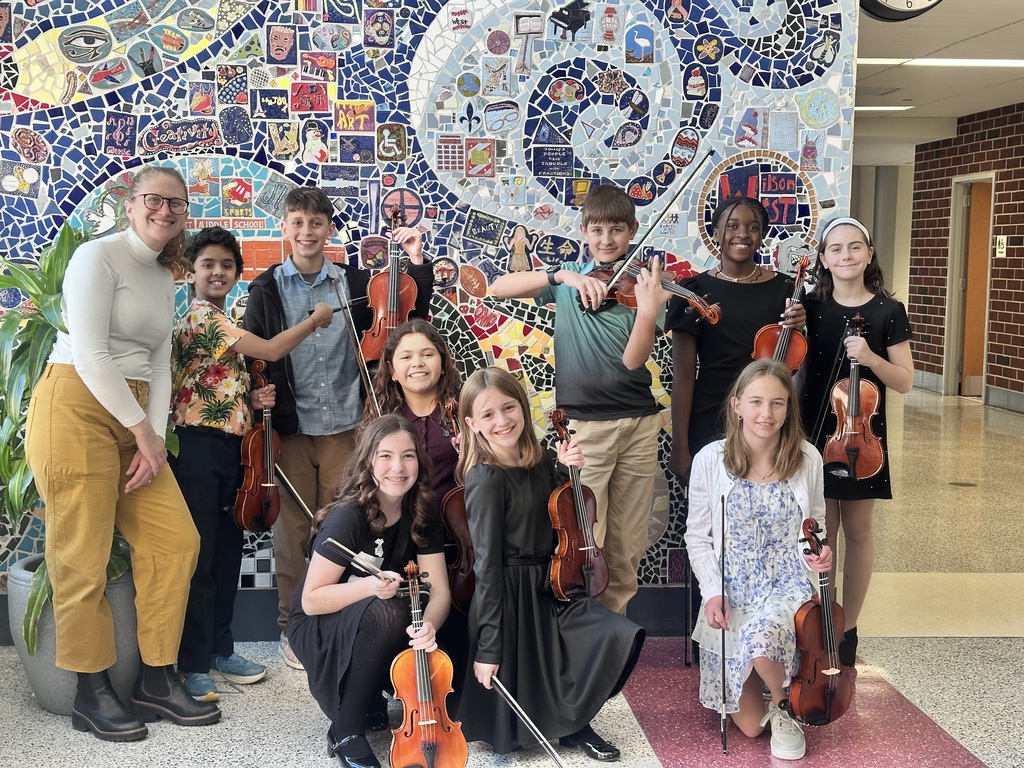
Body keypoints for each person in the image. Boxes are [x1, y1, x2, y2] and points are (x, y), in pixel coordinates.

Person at [24, 165, 220, 741]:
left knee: (175, 541)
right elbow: (90, 355)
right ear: (130, 204)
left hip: (134, 420)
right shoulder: (96, 257)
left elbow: (159, 362)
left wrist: (151, 440)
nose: (165, 211)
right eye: (154, 200)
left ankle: (157, 677)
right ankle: (91, 688)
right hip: (75, 407)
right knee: (80, 553)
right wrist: (144, 431)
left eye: (176, 204)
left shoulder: (167, 274)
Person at [242, 187, 434, 670]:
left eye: (316, 223)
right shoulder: (266, 288)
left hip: (348, 428)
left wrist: (415, 263)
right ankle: (293, 625)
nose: (307, 232)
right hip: (290, 429)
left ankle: (343, 618)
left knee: (341, 530)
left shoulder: (352, 281)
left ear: (329, 229)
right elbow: (254, 356)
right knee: (291, 534)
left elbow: (402, 319)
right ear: (284, 228)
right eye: (297, 223)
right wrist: (255, 396)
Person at [170, 226, 335, 701]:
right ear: (191, 273)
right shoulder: (202, 317)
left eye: (226, 265)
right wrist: (314, 320)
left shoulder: (226, 322)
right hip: (198, 447)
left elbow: (222, 379)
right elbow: (269, 349)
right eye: (207, 265)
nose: (217, 272)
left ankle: (222, 648)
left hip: (233, 450)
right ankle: (194, 662)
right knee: (203, 559)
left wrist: (253, 393)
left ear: (236, 274)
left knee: (227, 555)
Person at [489, 184, 671, 615]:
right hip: (584, 429)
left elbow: (632, 361)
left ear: (633, 232)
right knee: (587, 543)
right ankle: (582, 633)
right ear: (584, 232)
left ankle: (614, 634)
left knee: (626, 548)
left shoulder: (644, 287)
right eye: (598, 230)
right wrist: (563, 276)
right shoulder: (568, 279)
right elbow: (498, 287)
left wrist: (647, 312)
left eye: (617, 230)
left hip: (638, 426)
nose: (607, 240)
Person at [456, 366, 645, 760]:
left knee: (613, 633)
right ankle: (571, 726)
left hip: (551, 583)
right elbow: (486, 566)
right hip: (508, 595)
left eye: (509, 408)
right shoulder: (485, 479)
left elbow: (560, 514)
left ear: (523, 409)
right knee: (526, 683)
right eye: (488, 415)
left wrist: (566, 471)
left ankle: (576, 721)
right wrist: (488, 647)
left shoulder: (541, 461)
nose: (502, 420)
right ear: (472, 424)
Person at [666, 195, 807, 645]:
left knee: (765, 528)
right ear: (716, 231)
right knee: (711, 528)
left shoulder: (787, 292)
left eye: (751, 225)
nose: (741, 234)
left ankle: (767, 625)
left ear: (763, 233)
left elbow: (792, 371)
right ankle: (712, 633)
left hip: (766, 419)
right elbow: (684, 376)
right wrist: (681, 444)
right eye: (731, 225)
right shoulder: (694, 291)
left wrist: (799, 324)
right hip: (711, 418)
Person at [685, 359, 832, 761]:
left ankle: (785, 704)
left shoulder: (807, 458)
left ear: (789, 409)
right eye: (756, 402)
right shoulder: (710, 460)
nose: (766, 414)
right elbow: (697, 537)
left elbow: (813, 526)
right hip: (733, 582)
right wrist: (713, 593)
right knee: (749, 727)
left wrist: (818, 555)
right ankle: (770, 685)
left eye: (777, 404)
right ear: (736, 406)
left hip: (786, 580)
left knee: (762, 637)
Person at [286, 414, 451, 768]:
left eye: (408, 455)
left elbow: (438, 591)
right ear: (368, 462)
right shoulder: (349, 516)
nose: (398, 466)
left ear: (419, 462)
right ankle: (345, 730)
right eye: (385, 456)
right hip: (319, 622)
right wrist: (369, 586)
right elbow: (312, 601)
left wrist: (429, 627)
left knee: (415, 615)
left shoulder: (422, 509)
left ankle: (369, 695)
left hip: (372, 614)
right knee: (386, 610)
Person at [798, 217, 914, 667]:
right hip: (816, 433)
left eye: (854, 248)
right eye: (836, 249)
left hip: (862, 436)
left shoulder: (888, 311)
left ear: (868, 254)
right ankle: (821, 617)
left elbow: (904, 381)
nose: (845, 256)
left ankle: (848, 628)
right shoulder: (810, 306)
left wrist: (869, 357)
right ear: (824, 259)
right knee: (821, 532)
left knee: (860, 532)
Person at [356, 319, 468, 707]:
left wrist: (471, 451)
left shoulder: (462, 411)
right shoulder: (383, 418)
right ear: (391, 368)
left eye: (427, 354)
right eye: (405, 356)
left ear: (442, 361)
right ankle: (377, 685)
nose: (417, 363)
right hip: (406, 537)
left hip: (461, 537)